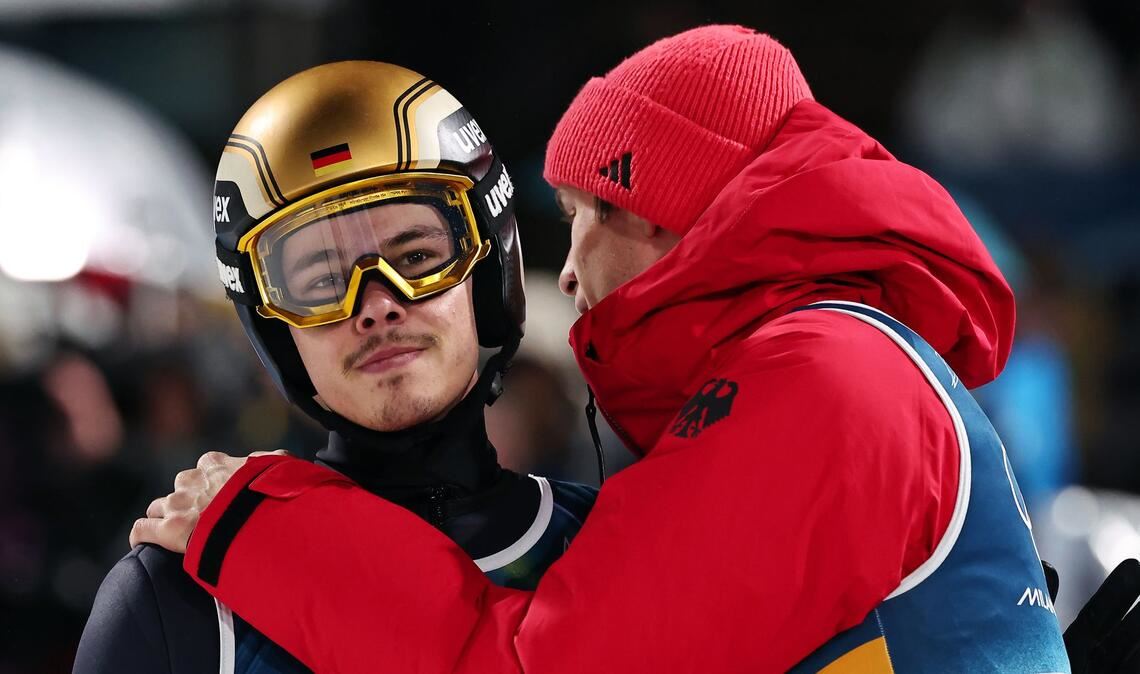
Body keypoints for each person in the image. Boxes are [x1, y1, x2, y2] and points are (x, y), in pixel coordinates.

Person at [133, 26, 1131, 672]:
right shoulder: (834, 360)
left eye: (577, 217)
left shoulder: (823, 378)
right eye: (320, 275)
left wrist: (261, 526)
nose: (567, 271)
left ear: (650, 209)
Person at [73, 60, 595, 674]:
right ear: (275, 327)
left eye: (418, 255)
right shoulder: (174, 599)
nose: (377, 305)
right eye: (322, 280)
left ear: (486, 273)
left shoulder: (609, 542)